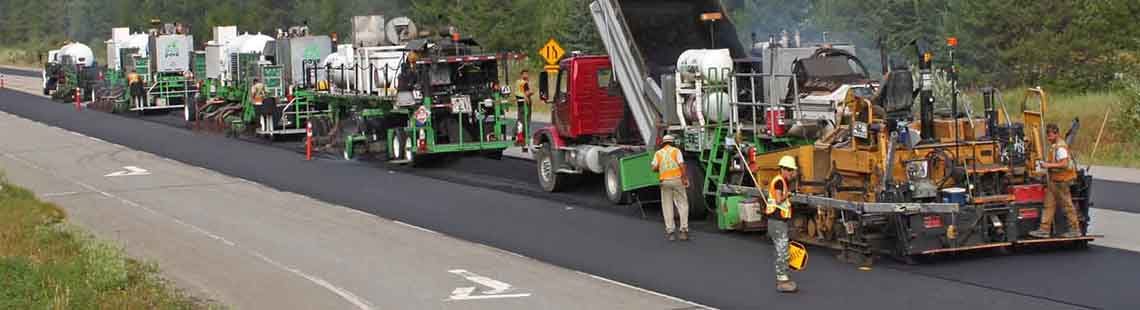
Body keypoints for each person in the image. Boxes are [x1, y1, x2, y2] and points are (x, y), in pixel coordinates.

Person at [1029, 123, 1082, 238]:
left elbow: (1064, 164)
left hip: (1062, 182)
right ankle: (1044, 229)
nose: (1048, 138)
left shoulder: (1060, 148)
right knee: (1048, 205)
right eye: (1047, 135)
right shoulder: (1054, 146)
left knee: (1067, 205)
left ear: (1056, 134)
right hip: (1054, 182)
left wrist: (1048, 165)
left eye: (1050, 135)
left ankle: (1075, 229)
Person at [767, 155, 798, 293]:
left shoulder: (782, 181)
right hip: (777, 222)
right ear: (784, 169)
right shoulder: (779, 182)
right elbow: (779, 200)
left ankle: (784, 278)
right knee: (782, 251)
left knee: (783, 250)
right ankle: (782, 281)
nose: (792, 173)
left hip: (779, 221)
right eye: (790, 171)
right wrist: (789, 194)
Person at [651, 134, 690, 241]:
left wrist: (660, 167)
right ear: (672, 142)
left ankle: (671, 232)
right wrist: (685, 178)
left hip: (665, 182)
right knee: (682, 204)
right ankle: (683, 231)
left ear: (663, 143)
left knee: (667, 206)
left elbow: (653, 168)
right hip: (677, 180)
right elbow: (682, 165)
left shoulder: (658, 153)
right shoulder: (676, 151)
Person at [514, 69, 533, 151]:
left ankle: (519, 138)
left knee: (521, 121)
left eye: (527, 74)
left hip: (522, 104)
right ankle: (521, 140)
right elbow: (524, 93)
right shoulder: (523, 83)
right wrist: (528, 94)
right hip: (524, 105)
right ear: (522, 75)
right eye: (525, 74)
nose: (527, 75)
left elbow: (518, 92)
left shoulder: (519, 82)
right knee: (524, 122)